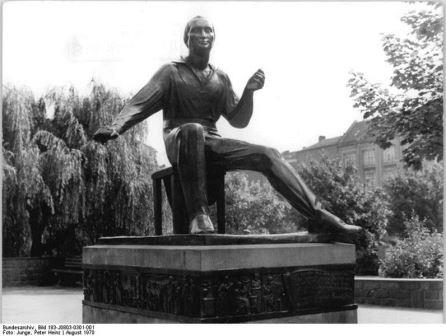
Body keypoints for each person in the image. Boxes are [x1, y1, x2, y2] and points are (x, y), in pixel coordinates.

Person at [94, 16, 361, 235]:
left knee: (267, 154)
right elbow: (140, 102)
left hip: (211, 141)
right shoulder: (171, 72)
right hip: (178, 138)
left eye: (207, 30)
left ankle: (319, 216)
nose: (202, 34)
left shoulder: (219, 77)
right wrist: (116, 126)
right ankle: (198, 215)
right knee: (192, 131)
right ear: (186, 38)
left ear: (213, 38)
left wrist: (248, 92)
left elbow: (238, 119)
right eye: (196, 31)